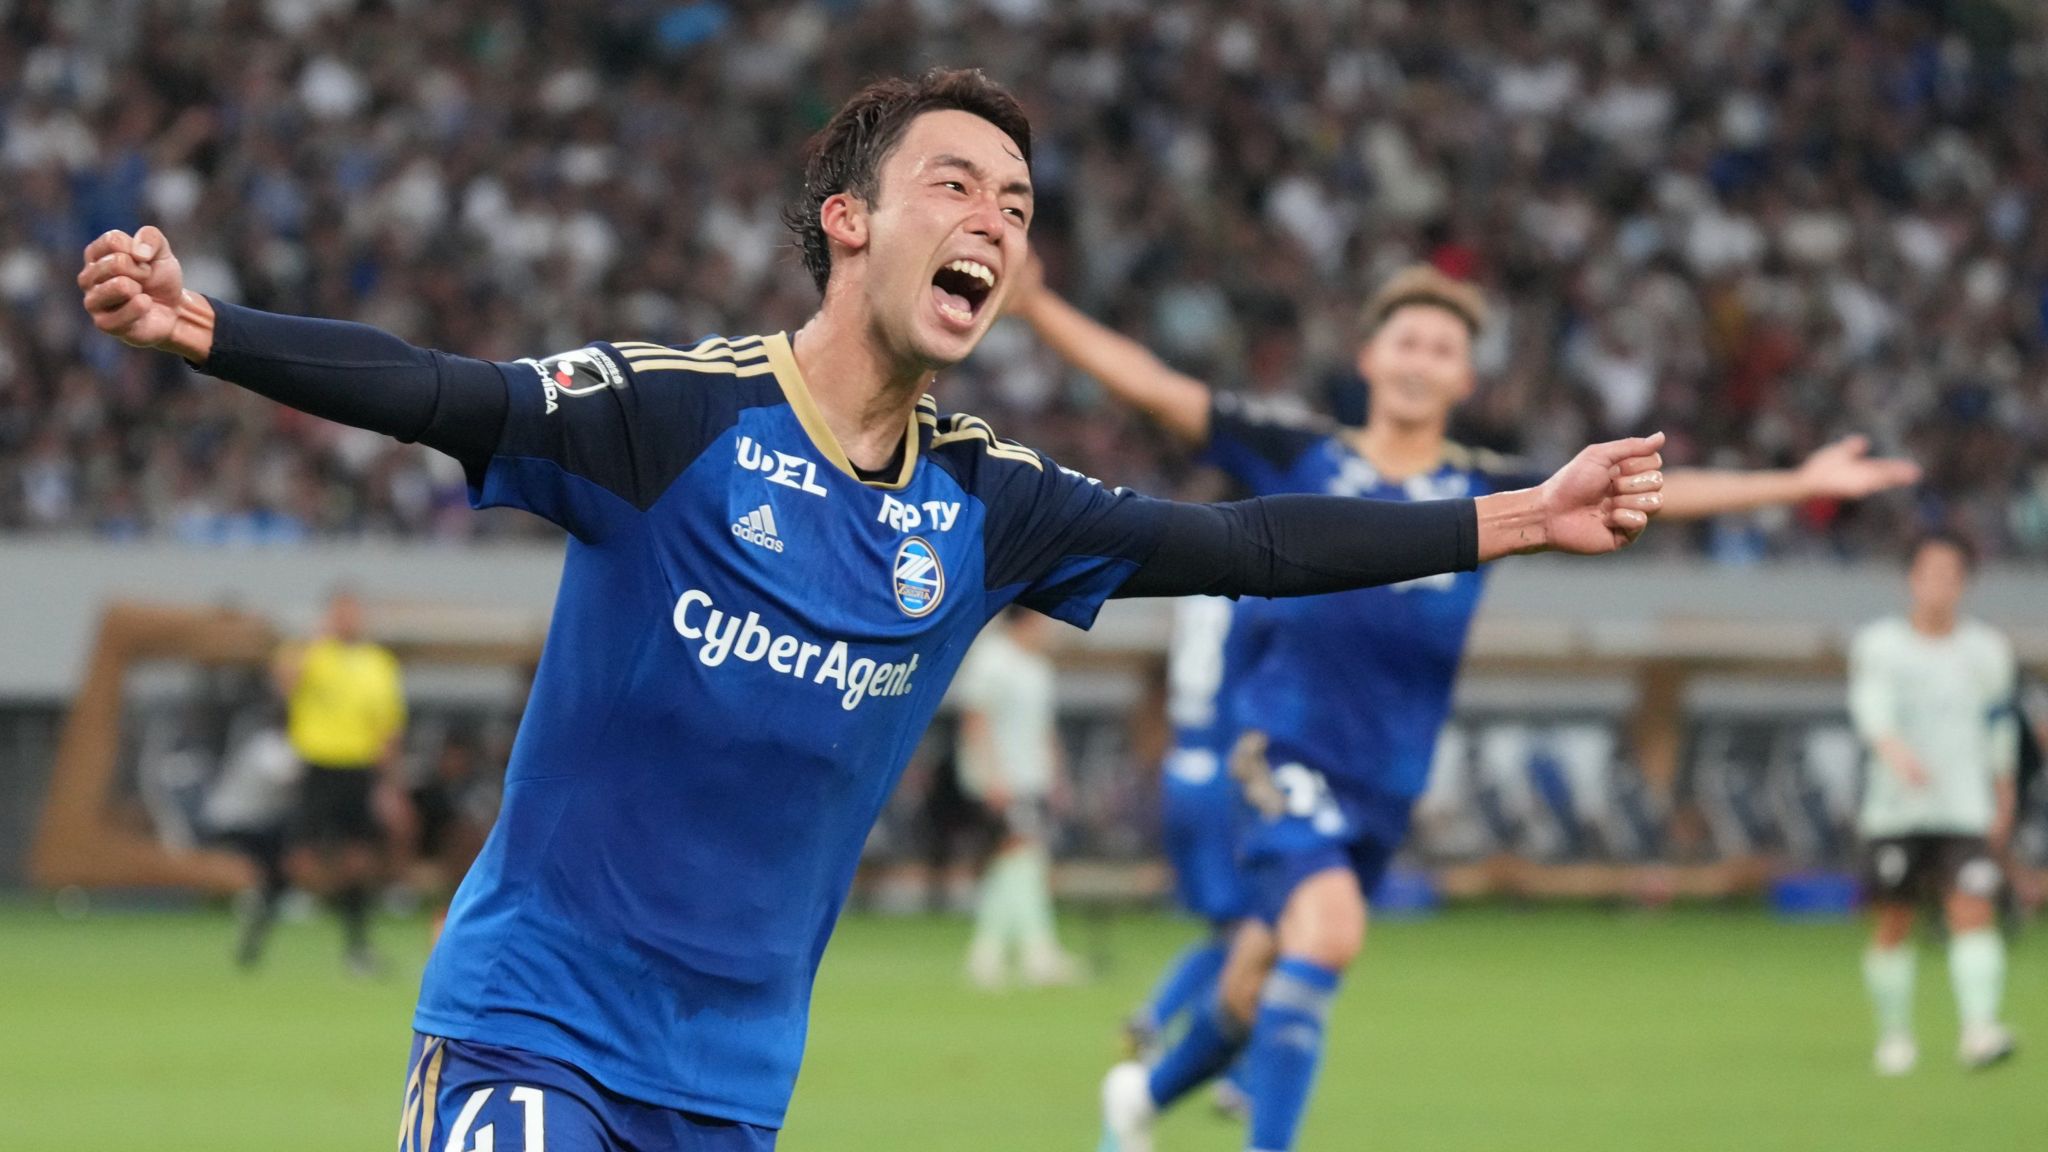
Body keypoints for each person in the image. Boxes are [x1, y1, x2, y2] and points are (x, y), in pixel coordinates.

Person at [77, 68, 1668, 1152]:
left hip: (735, 1083)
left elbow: (1245, 540)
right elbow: (442, 391)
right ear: (851, 220)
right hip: (531, 1027)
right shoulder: (668, 415)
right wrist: (208, 326)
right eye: (955, 184)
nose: (995, 219)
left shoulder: (992, 507)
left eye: (1020, 206)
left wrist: (1523, 512)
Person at [1010, 261, 1922, 1152]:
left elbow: (1652, 493)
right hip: (1279, 748)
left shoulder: (1492, 487)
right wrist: (1040, 304)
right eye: (1405, 339)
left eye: (1441, 347)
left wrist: (1798, 485)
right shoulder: (1304, 454)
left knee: (1253, 981)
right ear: (1368, 357)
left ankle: (1141, 1096)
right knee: (1328, 935)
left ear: (1465, 376)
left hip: (1385, 779)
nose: (1419, 358)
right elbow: (1160, 389)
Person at [1848, 531, 2019, 1075]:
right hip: (1895, 809)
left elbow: (1998, 726)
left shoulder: (1987, 651)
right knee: (1895, 920)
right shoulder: (1880, 645)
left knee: (1973, 909)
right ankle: (1895, 1036)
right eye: (1930, 572)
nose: (1940, 584)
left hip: (1963, 806)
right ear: (1912, 579)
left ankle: (1979, 1029)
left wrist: (2003, 789)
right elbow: (1871, 711)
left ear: (1964, 583)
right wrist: (1896, 752)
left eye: (1952, 574)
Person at [272, 586, 409, 976]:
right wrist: (315, 639)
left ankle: (356, 944)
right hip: (317, 766)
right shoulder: (312, 653)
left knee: (359, 857)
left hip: (358, 769)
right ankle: (265, 928)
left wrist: (388, 782)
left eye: (353, 612)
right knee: (298, 855)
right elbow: (285, 682)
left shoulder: (377, 662)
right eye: (340, 612)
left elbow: (389, 727)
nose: (348, 619)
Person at [954, 607, 1082, 988]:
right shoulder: (991, 659)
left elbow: (1044, 728)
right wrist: (991, 776)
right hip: (1001, 778)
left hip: (1032, 778)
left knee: (1017, 862)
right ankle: (1036, 952)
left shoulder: (1037, 667)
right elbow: (975, 720)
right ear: (1025, 620)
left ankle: (988, 953)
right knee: (1020, 856)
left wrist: (1057, 778)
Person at [198, 697, 302, 969]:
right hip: (239, 822)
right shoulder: (270, 746)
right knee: (271, 876)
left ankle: (264, 903)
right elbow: (289, 777)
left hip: (262, 821)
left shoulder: (274, 744)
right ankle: (255, 897)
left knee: (277, 879)